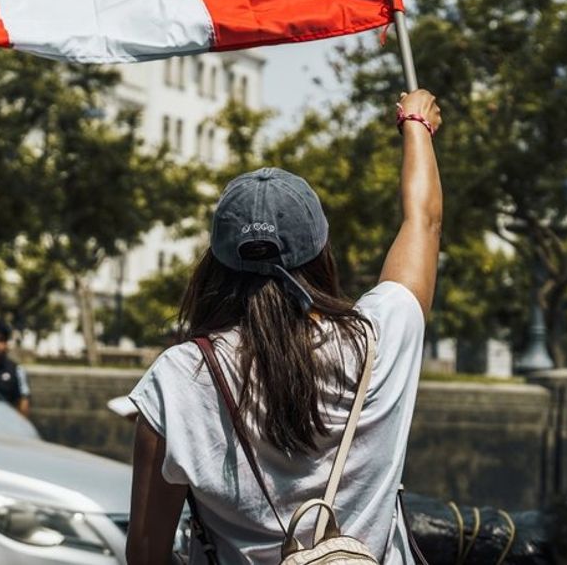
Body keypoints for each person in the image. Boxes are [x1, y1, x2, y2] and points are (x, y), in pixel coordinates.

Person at [126, 89, 443, 564]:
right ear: (320, 255)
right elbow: (423, 222)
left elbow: (146, 556)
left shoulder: (179, 379)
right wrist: (416, 124)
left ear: (214, 264)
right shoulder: (377, 340)